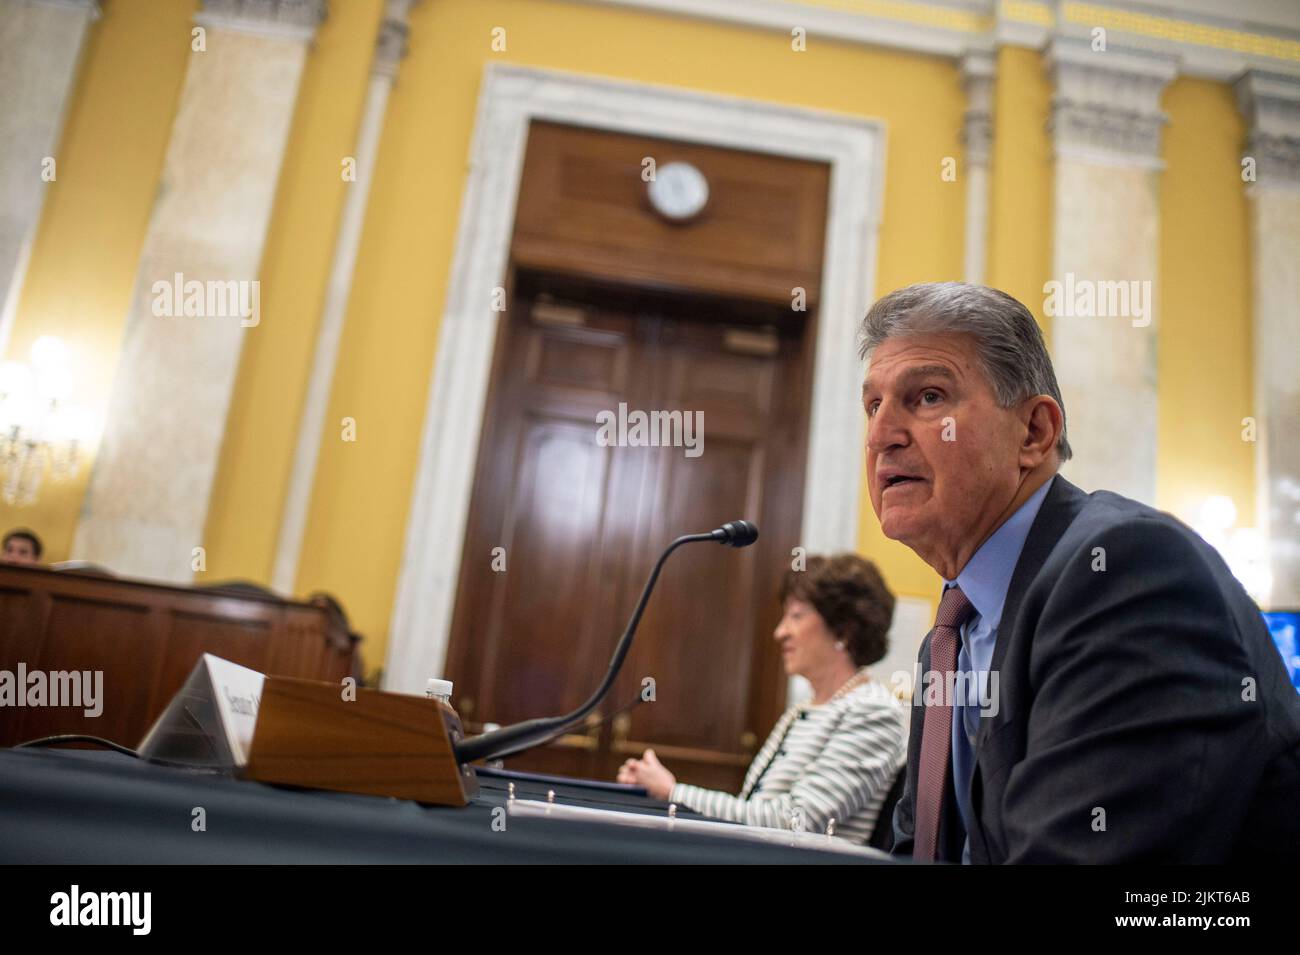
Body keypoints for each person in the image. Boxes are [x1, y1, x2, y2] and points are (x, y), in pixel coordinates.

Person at [860, 281, 1300, 863]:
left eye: (929, 396)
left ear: (1035, 433)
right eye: (873, 405)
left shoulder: (1125, 572)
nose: (881, 435)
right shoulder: (950, 636)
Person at [617, 553, 906, 845]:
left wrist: (673, 793)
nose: (780, 632)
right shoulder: (806, 708)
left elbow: (795, 822)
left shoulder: (872, 710)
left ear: (845, 629)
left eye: (796, 615)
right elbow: (757, 810)